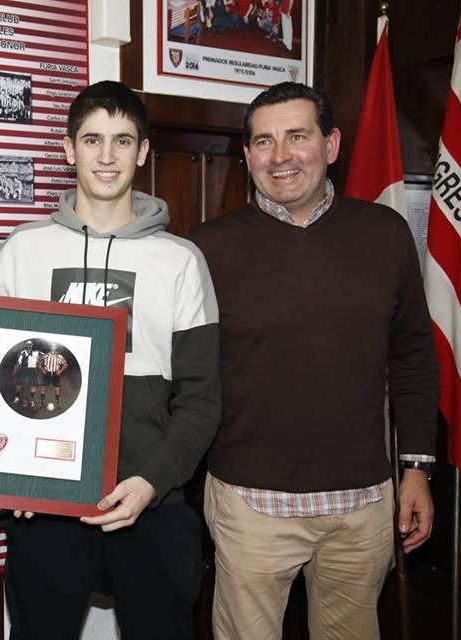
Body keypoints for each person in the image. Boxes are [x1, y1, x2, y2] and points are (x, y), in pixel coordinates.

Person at [188, 81, 438, 640]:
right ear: (247, 154)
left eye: (297, 136)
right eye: (264, 141)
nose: (280, 156)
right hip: (250, 505)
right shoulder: (204, 248)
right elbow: (185, 377)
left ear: (332, 144)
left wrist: (417, 469)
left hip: (361, 506)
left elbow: (414, 357)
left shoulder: (386, 235)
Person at [0, 80, 221, 639]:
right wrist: (6, 477)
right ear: (69, 149)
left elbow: (202, 400)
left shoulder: (181, 261)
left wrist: (152, 482)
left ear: (142, 152)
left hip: (152, 503)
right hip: (46, 509)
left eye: (123, 140)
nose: (107, 156)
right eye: (92, 140)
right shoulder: (22, 251)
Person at [12, 339, 45, 409]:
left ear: (32, 346)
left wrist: (39, 361)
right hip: (24, 370)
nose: (29, 347)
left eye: (30, 345)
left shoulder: (36, 353)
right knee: (19, 385)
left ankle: (31, 400)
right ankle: (17, 398)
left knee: (33, 386)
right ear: (25, 346)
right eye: (27, 345)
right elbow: (18, 363)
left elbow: (45, 356)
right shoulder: (22, 353)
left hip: (33, 370)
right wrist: (14, 371)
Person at [38, 344, 69, 410]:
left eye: (54, 347)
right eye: (52, 347)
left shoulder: (59, 356)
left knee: (57, 390)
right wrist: (43, 370)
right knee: (43, 388)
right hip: (47, 373)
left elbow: (66, 364)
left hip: (55, 373)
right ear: (50, 348)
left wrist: (60, 371)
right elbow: (39, 363)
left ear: (56, 348)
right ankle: (41, 403)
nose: (53, 348)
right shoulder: (46, 355)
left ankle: (58, 404)